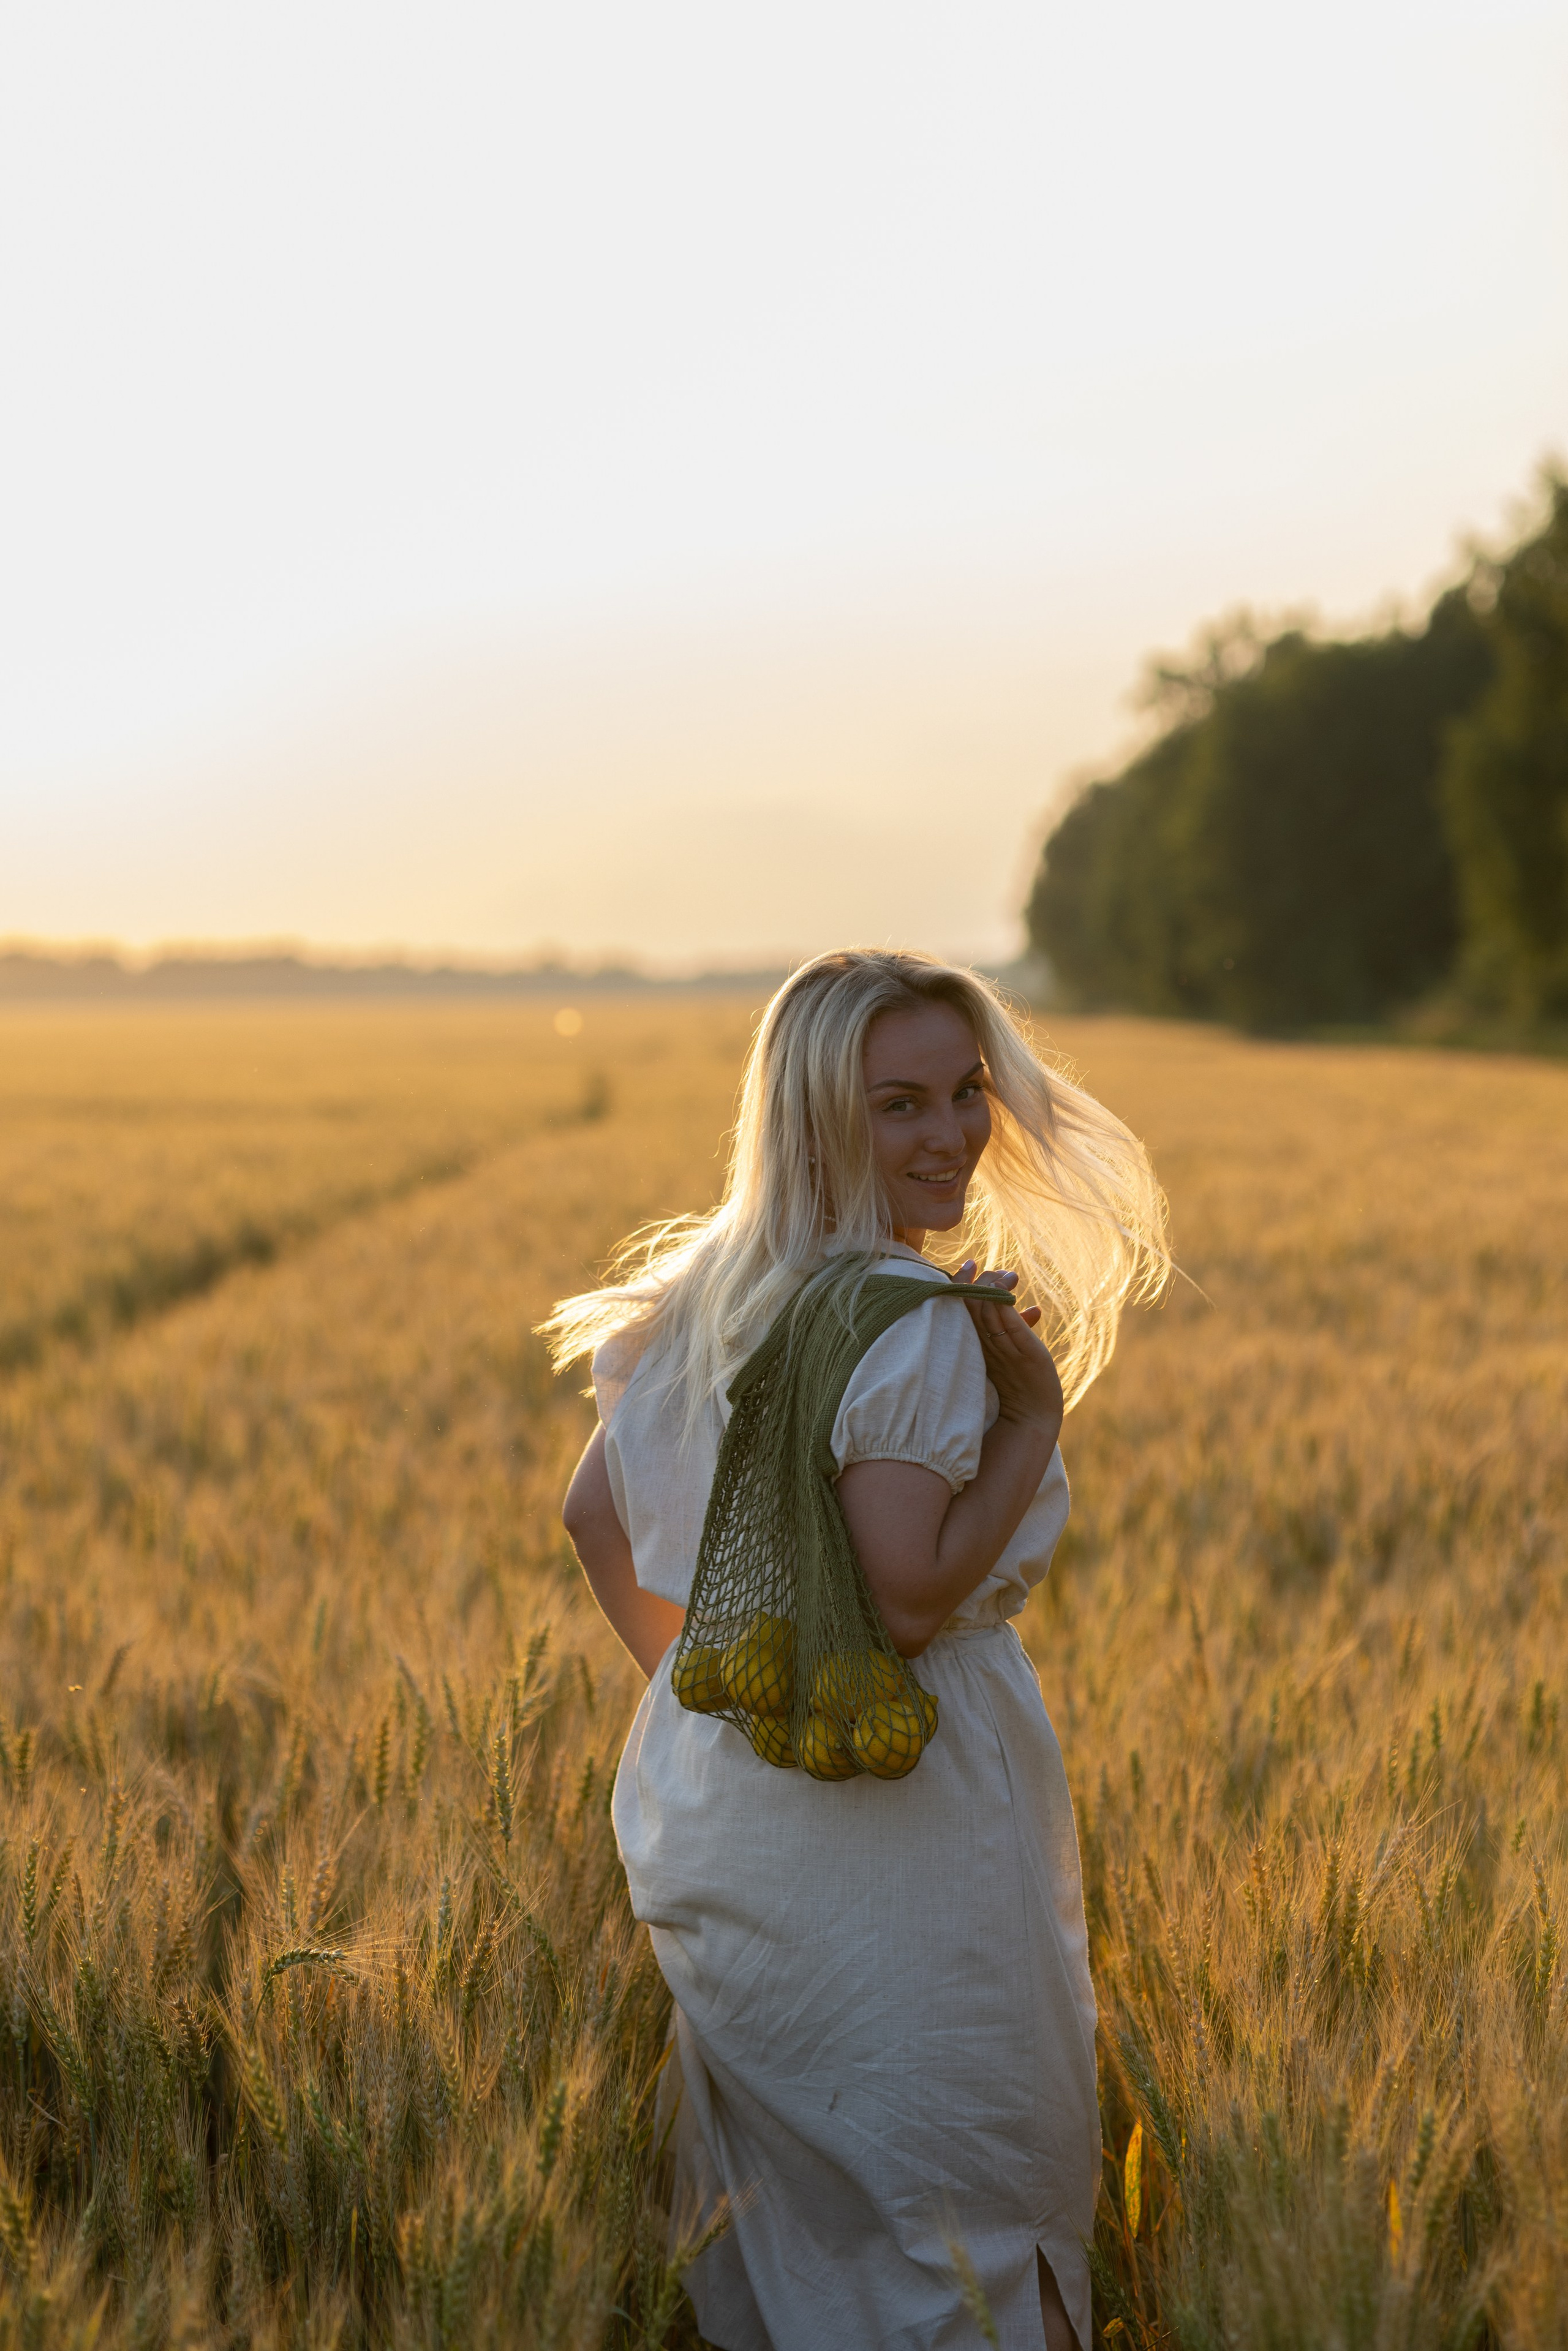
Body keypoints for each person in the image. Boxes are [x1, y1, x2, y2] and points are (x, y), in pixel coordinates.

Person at [546, 949, 1169, 2351]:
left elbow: (592, 1513)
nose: (948, 1135)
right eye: (897, 1104)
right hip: (904, 1824)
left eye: (964, 1092)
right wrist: (1029, 1425)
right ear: (813, 1113)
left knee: (802, 2213)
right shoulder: (908, 1320)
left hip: (724, 1808)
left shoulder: (698, 1298)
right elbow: (904, 1601)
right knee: (971, 2200)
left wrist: (721, 1698)